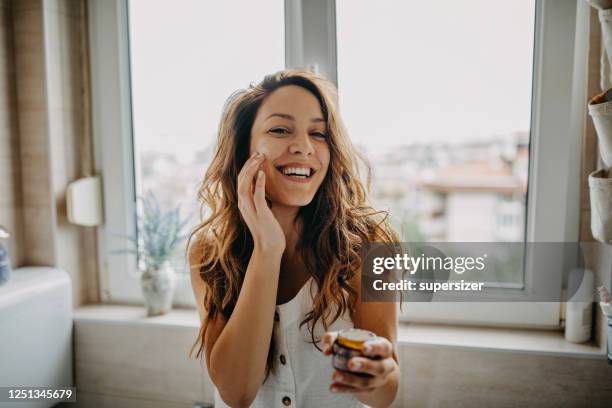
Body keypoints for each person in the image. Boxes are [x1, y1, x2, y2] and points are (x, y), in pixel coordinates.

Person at [188, 69, 400, 408]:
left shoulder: (371, 244)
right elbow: (236, 392)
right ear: (245, 149)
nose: (303, 146)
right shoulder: (209, 252)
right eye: (280, 129)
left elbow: (385, 393)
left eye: (318, 133)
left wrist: (379, 375)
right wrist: (267, 251)